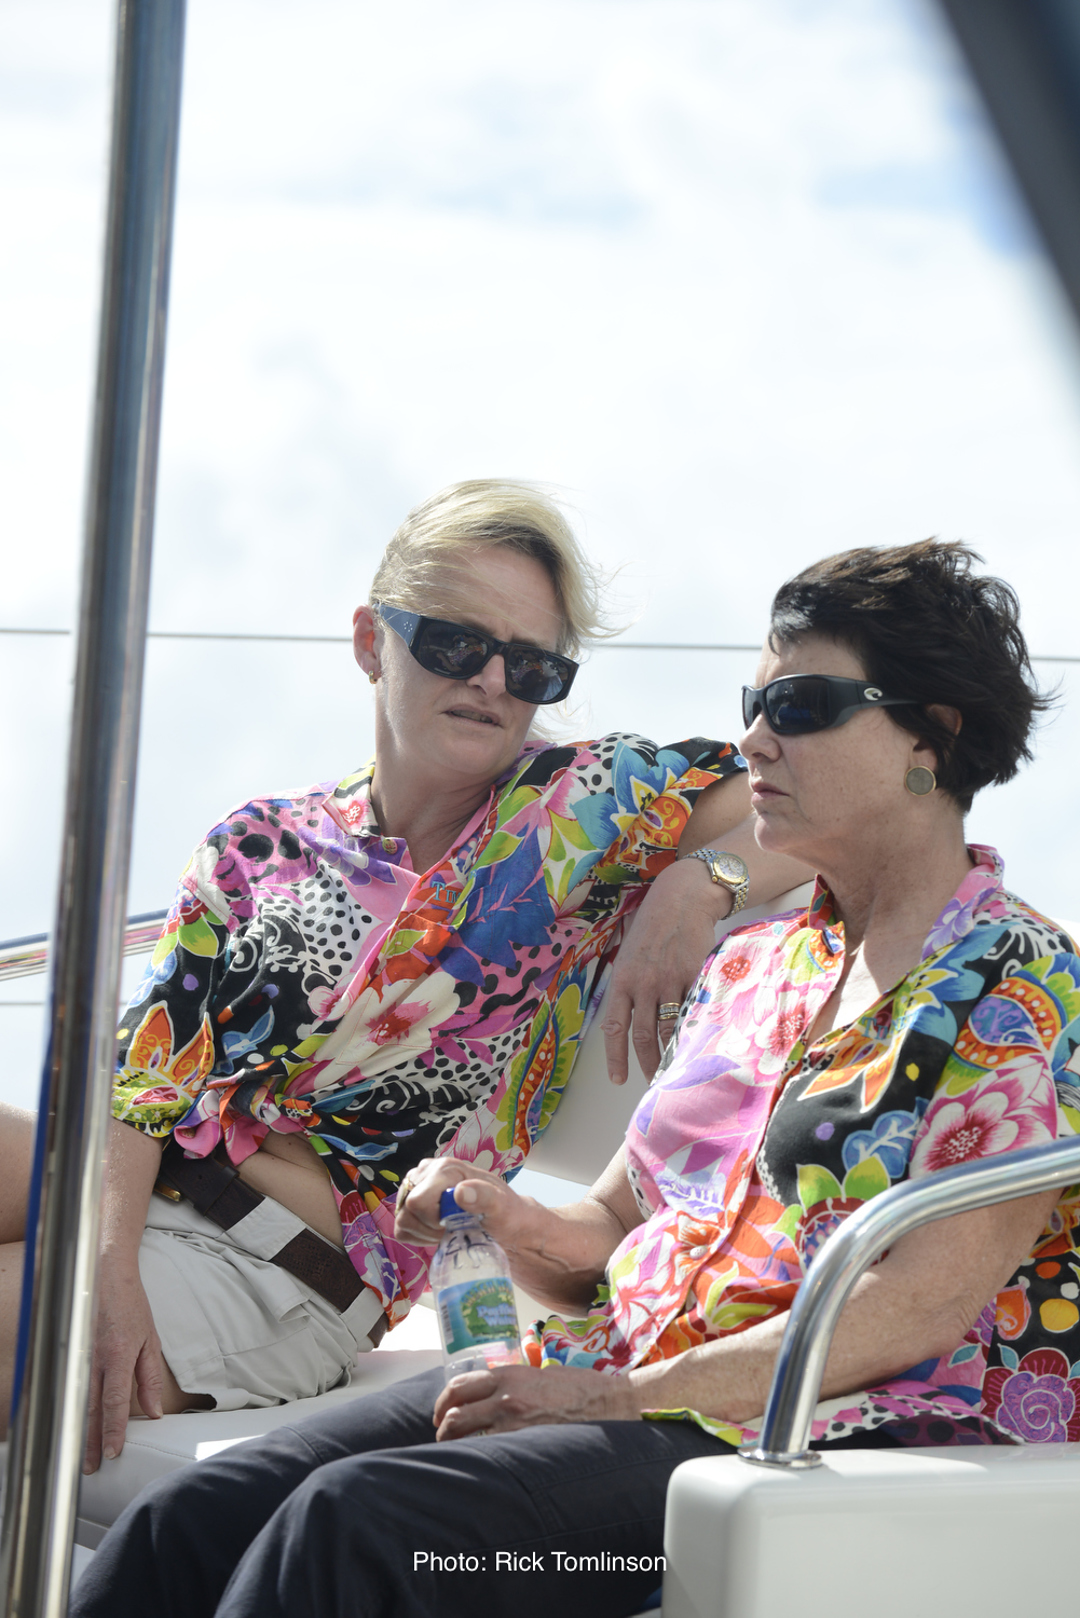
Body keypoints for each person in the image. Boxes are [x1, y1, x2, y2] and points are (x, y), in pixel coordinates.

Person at [73, 536, 1080, 1618]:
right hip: (621, 1379)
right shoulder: (755, 970)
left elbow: (914, 1310)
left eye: (799, 706)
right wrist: (506, 1218)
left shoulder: (1020, 983)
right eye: (754, 705)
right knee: (196, 1515)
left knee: (360, 1529)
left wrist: (621, 1395)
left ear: (932, 734)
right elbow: (611, 1231)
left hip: (824, 1452)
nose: (754, 738)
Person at [0, 480, 807, 1472]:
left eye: (533, 665)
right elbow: (144, 1077)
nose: (493, 681)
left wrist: (701, 879)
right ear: (371, 640)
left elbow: (811, 806)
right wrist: (103, 1263)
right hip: (131, 1180)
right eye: (456, 643)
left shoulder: (591, 807)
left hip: (280, 1269)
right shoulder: (260, 839)